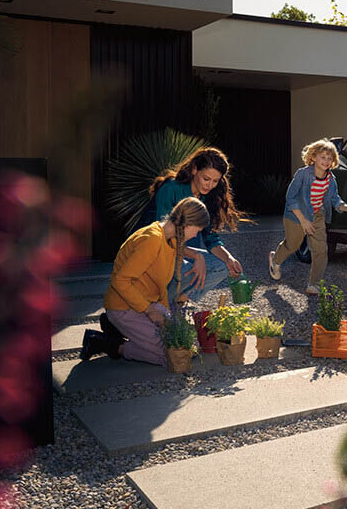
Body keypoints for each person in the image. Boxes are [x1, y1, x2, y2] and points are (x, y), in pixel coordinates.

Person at [80, 197, 211, 364]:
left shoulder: (171, 241)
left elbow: (161, 286)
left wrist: (165, 315)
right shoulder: (152, 239)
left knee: (184, 347)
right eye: (197, 230)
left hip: (146, 304)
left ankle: (119, 329)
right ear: (187, 224)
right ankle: (107, 343)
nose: (195, 235)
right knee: (169, 355)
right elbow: (121, 281)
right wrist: (150, 311)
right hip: (123, 307)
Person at [144, 147, 246, 305]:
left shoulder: (208, 196)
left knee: (222, 266)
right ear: (194, 170)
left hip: (177, 250)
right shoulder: (170, 189)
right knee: (185, 270)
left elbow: (210, 237)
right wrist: (197, 256)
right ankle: (159, 305)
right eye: (206, 179)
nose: (210, 185)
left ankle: (179, 300)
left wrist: (229, 258)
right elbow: (162, 236)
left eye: (215, 181)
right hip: (156, 251)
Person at [268, 139, 347, 295]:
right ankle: (275, 260)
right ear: (313, 157)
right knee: (293, 245)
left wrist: (346, 207)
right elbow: (291, 198)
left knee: (320, 250)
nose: (326, 161)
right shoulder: (303, 174)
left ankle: (313, 284)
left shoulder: (331, 179)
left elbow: (334, 198)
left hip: (317, 214)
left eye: (329, 158)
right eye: (323, 157)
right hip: (296, 215)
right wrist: (303, 220)